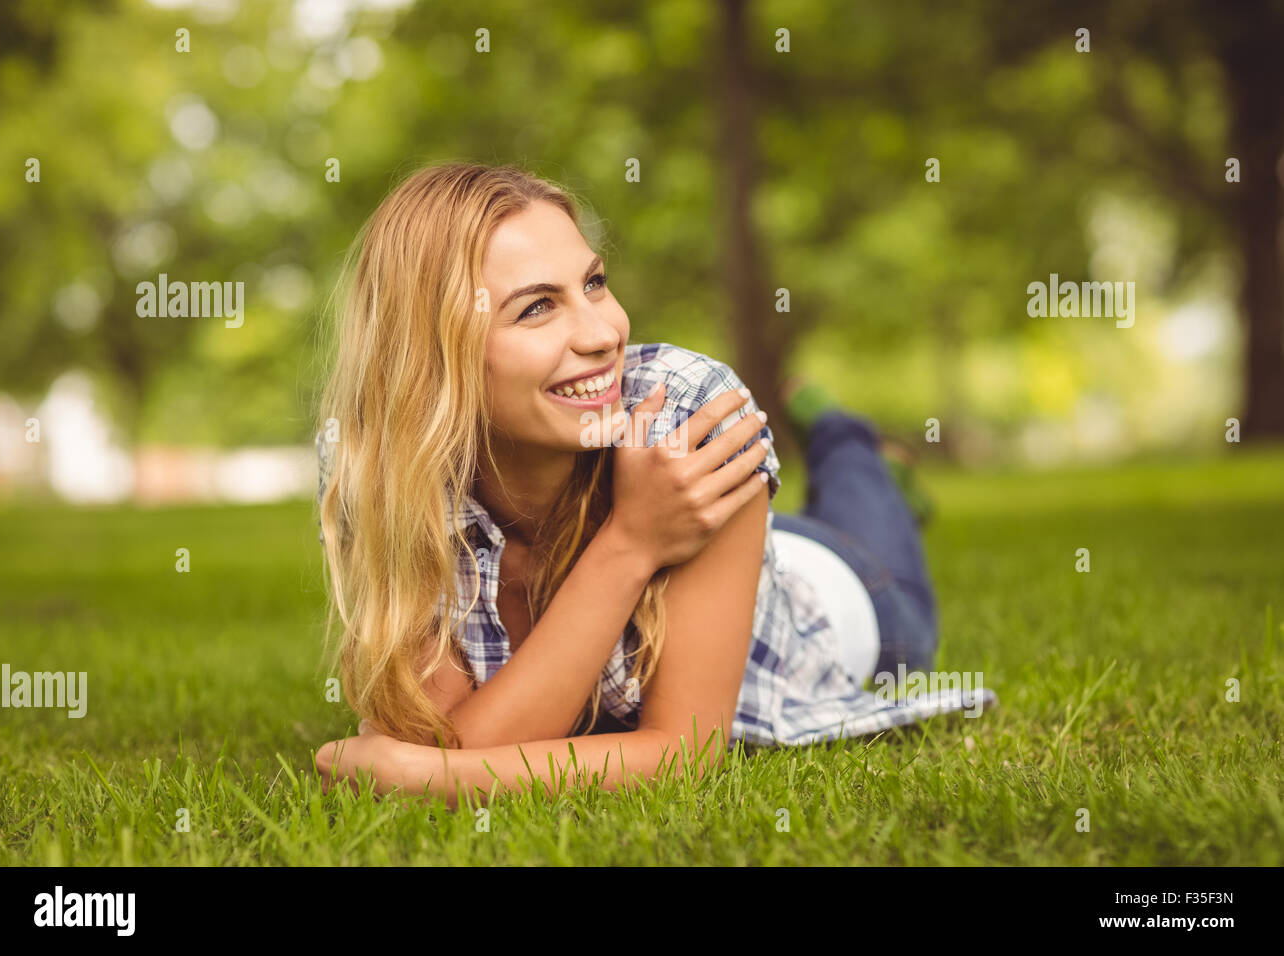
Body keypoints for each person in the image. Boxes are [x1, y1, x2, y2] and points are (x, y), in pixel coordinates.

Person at [312, 162, 994, 807]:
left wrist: (426, 777)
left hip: (841, 593)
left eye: (595, 283)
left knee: (862, 502)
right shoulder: (378, 468)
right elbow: (454, 741)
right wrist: (635, 540)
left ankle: (853, 442)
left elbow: (682, 751)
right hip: (699, 521)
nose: (602, 332)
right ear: (433, 359)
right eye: (536, 309)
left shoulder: (690, 413)